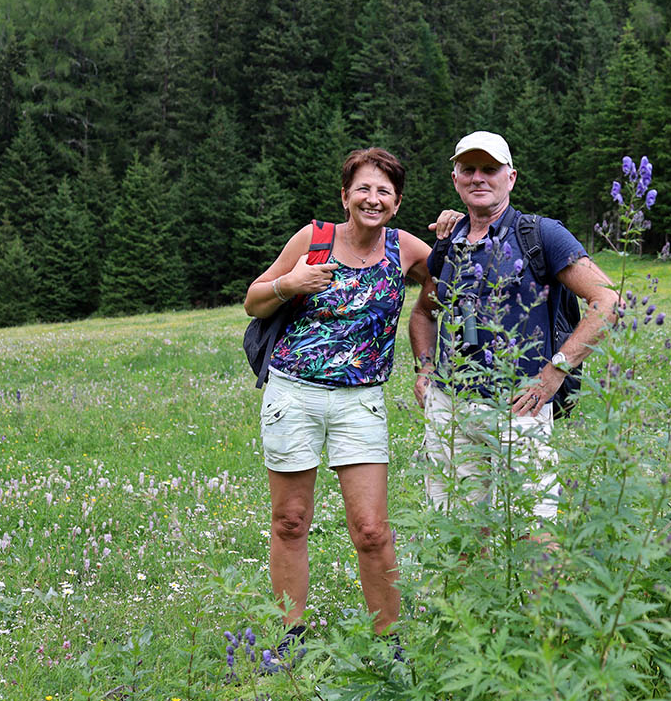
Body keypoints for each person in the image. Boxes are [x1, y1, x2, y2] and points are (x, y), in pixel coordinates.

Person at [244, 147, 435, 671]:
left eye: (385, 191)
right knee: (290, 521)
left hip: (361, 401)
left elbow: (445, 284)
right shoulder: (314, 240)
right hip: (293, 394)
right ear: (345, 195)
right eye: (364, 189)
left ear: (396, 203)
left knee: (371, 530)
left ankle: (390, 645)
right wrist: (290, 284)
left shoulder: (406, 250)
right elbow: (254, 299)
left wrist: (426, 355)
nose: (373, 199)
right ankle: (289, 641)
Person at [410, 131, 618, 521]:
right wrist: (424, 368)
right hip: (449, 409)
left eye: (490, 169)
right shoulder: (449, 240)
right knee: (460, 531)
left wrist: (555, 372)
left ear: (512, 177)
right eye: (467, 169)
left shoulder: (541, 234)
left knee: (533, 526)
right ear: (455, 179)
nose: (478, 178)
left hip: (518, 406)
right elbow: (424, 311)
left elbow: (608, 302)